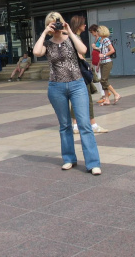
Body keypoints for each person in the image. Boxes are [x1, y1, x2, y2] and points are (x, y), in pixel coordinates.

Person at [33, 11, 102, 176]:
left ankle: (93, 163)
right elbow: (36, 52)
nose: (55, 25)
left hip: (77, 85)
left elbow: (83, 50)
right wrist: (44, 33)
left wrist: (68, 31)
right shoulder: (47, 44)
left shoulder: (71, 37)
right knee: (65, 126)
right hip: (56, 87)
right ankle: (69, 158)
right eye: (51, 23)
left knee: (84, 124)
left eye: (57, 22)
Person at [69, 17, 108, 134]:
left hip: (76, 72)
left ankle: (75, 125)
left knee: (77, 98)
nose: (85, 25)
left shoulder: (73, 37)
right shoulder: (74, 38)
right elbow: (79, 54)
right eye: (83, 24)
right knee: (87, 98)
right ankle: (93, 125)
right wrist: (85, 64)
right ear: (78, 25)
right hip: (80, 72)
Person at [97, 25, 121, 106]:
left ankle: (116, 94)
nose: (97, 32)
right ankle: (107, 99)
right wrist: (98, 64)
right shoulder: (101, 40)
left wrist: (104, 55)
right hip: (102, 62)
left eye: (98, 31)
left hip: (107, 62)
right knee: (103, 81)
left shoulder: (106, 40)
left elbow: (112, 50)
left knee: (104, 80)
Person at [88, 24, 110, 103]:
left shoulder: (101, 39)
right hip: (96, 58)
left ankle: (104, 94)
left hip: (99, 59)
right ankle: (104, 94)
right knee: (99, 77)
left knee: (100, 78)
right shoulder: (97, 39)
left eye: (92, 32)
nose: (93, 34)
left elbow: (102, 50)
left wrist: (94, 47)